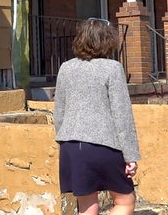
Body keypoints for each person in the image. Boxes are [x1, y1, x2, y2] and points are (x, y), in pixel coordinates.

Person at [54, 18, 141, 215]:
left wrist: (66, 139)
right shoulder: (112, 68)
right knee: (125, 201)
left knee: (87, 206)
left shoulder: (66, 68)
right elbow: (122, 114)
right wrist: (131, 156)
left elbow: (59, 111)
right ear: (108, 41)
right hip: (104, 145)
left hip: (71, 145)